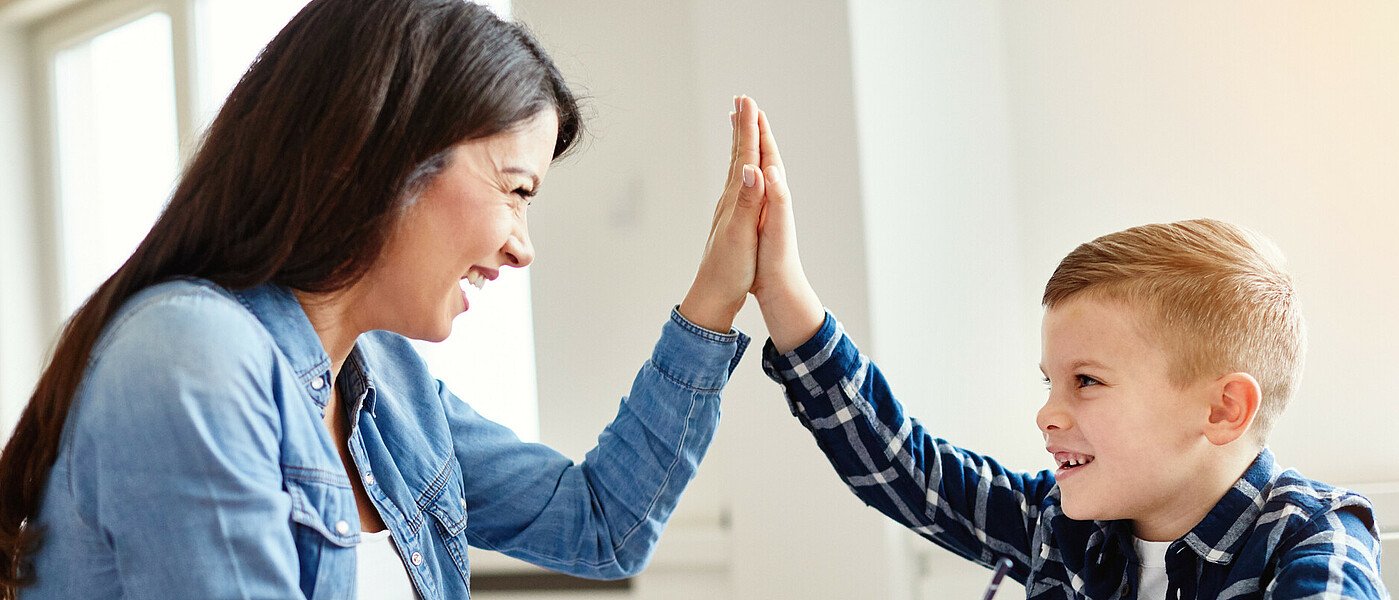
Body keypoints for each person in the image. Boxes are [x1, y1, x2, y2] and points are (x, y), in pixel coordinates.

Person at [0, 1, 774, 597]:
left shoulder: (388, 387)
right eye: (514, 191)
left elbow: (602, 525)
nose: (521, 245)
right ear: (383, 151)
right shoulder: (193, 358)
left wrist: (716, 294)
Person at [742, 110, 1389, 597]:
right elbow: (906, 469)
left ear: (1221, 410)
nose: (1046, 414)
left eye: (1086, 381)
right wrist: (782, 293)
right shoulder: (1062, 524)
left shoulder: (1314, 542)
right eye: (1048, 381)